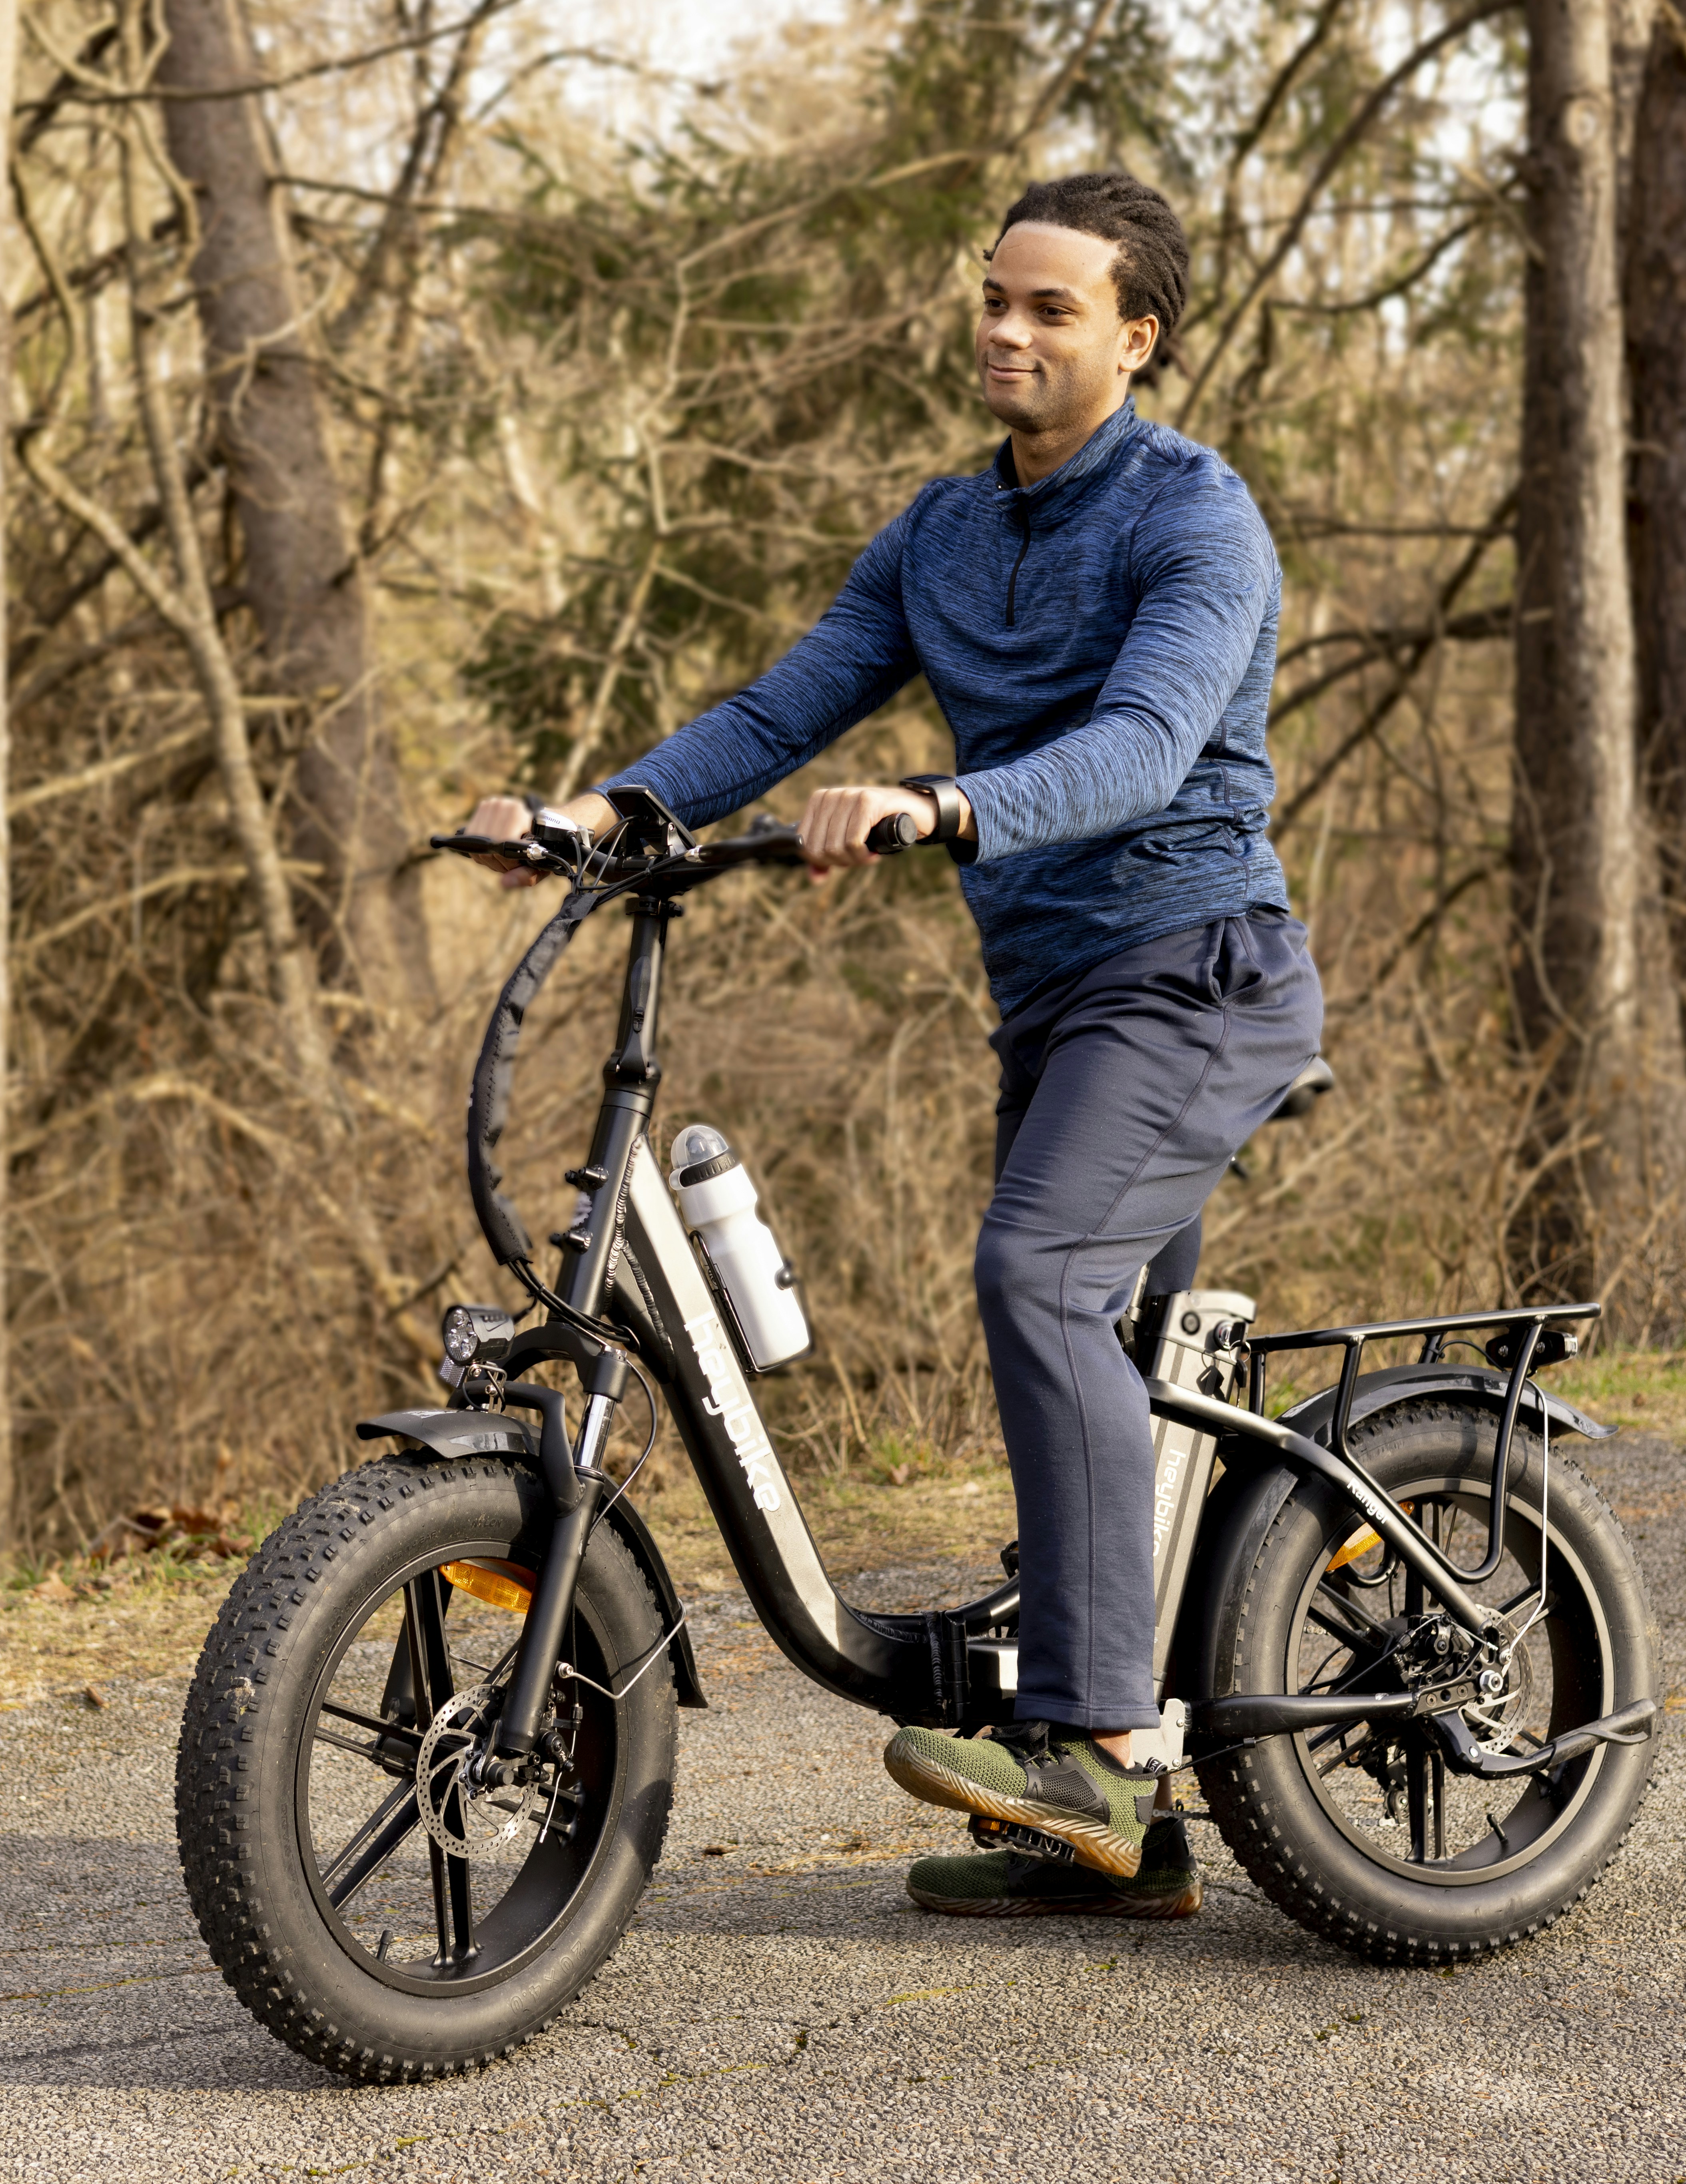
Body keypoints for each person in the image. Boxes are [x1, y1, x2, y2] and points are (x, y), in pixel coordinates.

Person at [460, 171, 1323, 1920]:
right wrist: (600, 810)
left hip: (1196, 969)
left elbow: (1149, 749)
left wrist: (943, 800)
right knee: (1100, 1354)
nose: (1004, 330)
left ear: (1133, 339)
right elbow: (787, 707)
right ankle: (1124, 1834)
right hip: (1060, 999)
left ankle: (1083, 1742)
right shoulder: (938, 531)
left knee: (1037, 1281)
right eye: (993, 299)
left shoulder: (1192, 519)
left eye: (1050, 309)